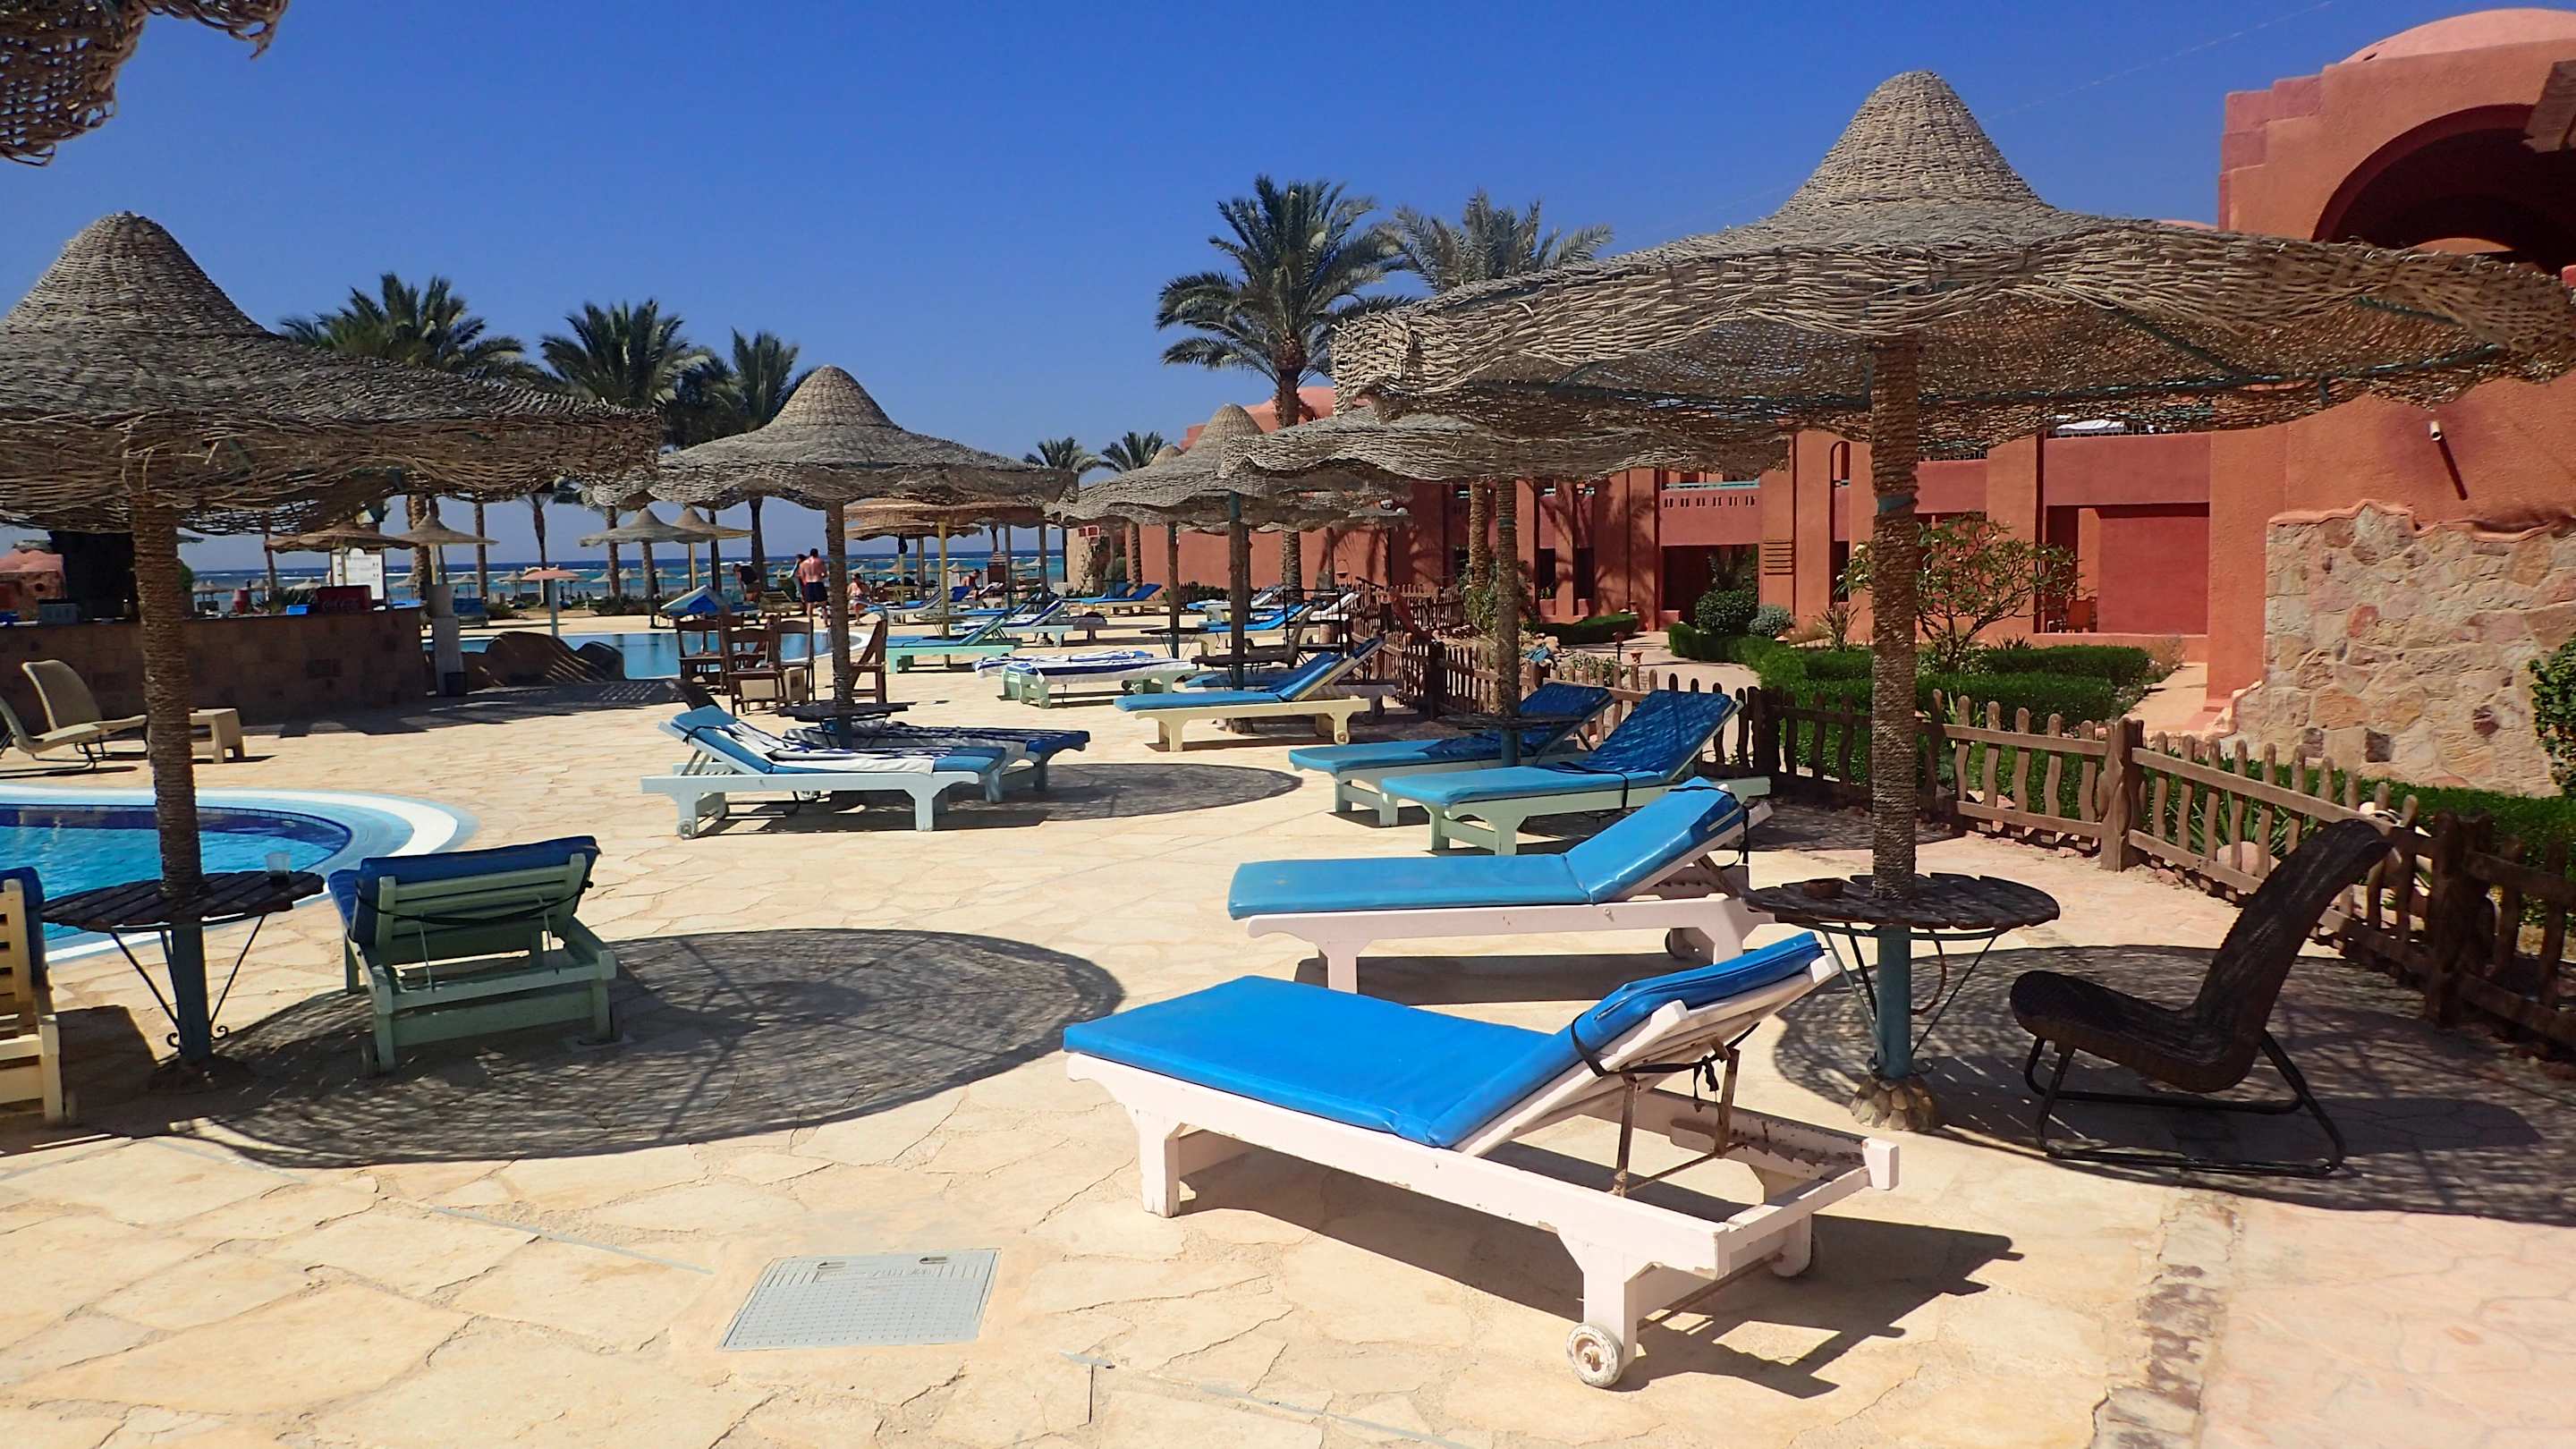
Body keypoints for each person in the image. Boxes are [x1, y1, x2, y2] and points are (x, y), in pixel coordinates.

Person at [793, 549, 827, 614]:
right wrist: (821, 576)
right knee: (823, 604)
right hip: (818, 582)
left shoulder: (803, 563)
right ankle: (825, 619)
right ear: (817, 554)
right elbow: (825, 574)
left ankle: (810, 619)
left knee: (809, 604)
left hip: (808, 583)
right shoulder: (820, 561)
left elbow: (802, 575)